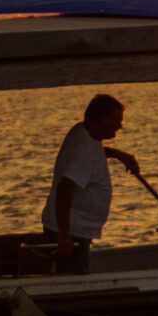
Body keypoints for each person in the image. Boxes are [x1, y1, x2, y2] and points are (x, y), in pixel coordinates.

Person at [42, 93, 141, 272]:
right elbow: (64, 189)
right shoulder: (85, 148)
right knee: (74, 280)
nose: (120, 126)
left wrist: (119, 155)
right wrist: (64, 237)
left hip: (72, 229)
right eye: (116, 121)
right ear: (103, 119)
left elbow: (92, 153)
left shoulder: (82, 133)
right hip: (71, 232)